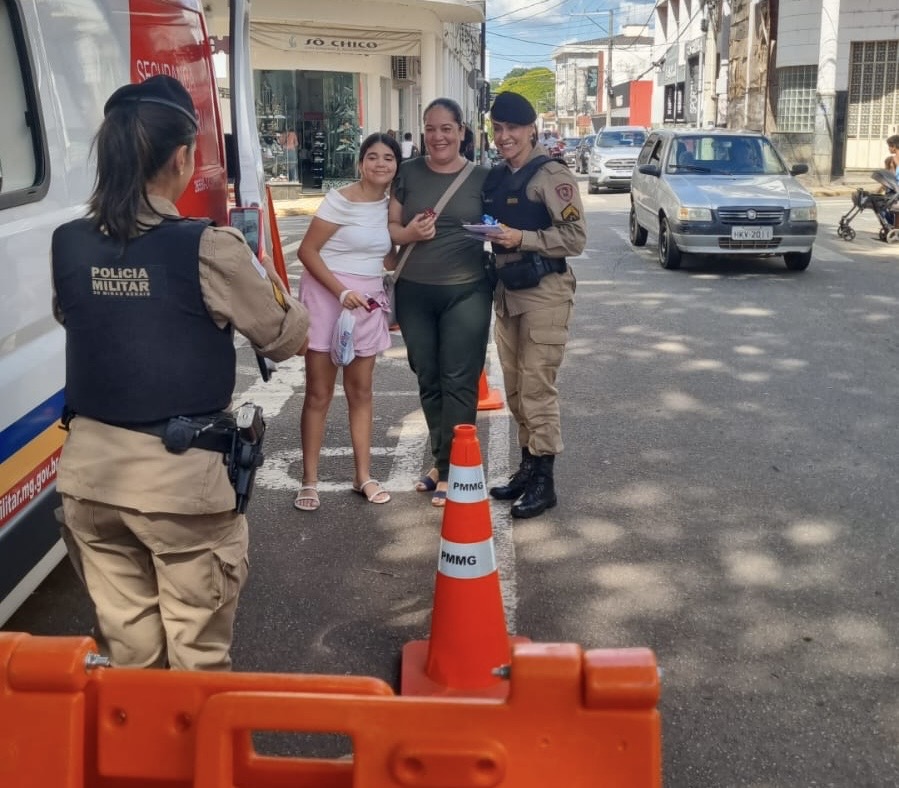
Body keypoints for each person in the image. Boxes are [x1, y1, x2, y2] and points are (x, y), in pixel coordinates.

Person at [50, 75, 310, 670]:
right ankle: (194, 763)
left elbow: (78, 316)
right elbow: (286, 336)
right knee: (197, 660)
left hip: (91, 478)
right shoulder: (210, 246)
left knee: (129, 659)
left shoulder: (67, 242)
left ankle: (137, 759)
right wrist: (261, 267)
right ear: (182, 157)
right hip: (180, 487)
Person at [482, 91, 586, 519]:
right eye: (498, 129)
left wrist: (519, 238)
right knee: (515, 388)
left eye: (513, 129)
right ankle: (527, 466)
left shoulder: (552, 176)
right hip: (507, 294)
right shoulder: (498, 176)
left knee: (537, 388)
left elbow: (576, 239)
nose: (504, 137)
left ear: (531, 130)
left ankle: (545, 480)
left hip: (545, 293)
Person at [388, 97, 492, 507]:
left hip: (467, 290)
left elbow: (501, 226)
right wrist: (410, 234)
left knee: (459, 379)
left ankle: (455, 471)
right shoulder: (407, 173)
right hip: (414, 289)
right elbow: (392, 229)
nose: (438, 136)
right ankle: (442, 460)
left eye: (446, 128)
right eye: (430, 128)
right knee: (427, 375)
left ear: (462, 132)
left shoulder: (484, 178)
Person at [295, 133, 400, 511]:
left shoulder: (389, 207)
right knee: (319, 394)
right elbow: (307, 251)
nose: (380, 164)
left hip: (368, 302)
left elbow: (387, 260)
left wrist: (414, 238)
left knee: (361, 392)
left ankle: (363, 476)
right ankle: (309, 481)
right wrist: (340, 292)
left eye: (388, 158)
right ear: (360, 163)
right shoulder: (339, 200)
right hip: (328, 298)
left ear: (396, 167)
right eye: (372, 157)